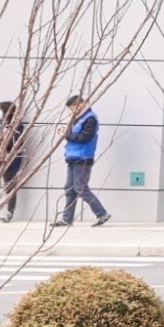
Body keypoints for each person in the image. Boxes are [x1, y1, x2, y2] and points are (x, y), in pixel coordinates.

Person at [58, 94, 109, 227]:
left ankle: (102, 213)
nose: (72, 111)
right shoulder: (78, 118)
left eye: (73, 107)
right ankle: (66, 219)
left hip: (83, 157)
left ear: (80, 104)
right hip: (73, 157)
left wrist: (67, 135)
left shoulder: (89, 118)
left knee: (80, 188)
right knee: (69, 188)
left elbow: (85, 137)